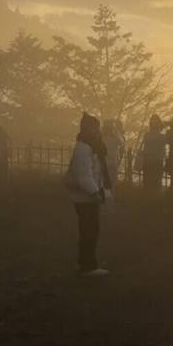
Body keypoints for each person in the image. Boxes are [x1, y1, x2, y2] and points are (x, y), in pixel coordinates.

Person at [64, 113, 112, 277]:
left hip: (89, 196)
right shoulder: (84, 148)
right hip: (85, 197)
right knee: (89, 230)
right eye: (95, 127)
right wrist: (95, 192)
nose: (98, 131)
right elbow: (83, 175)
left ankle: (88, 264)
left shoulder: (92, 146)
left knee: (91, 230)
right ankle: (87, 266)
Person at [140, 115, 168, 197]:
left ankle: (147, 201)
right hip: (157, 162)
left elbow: (145, 148)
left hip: (147, 161)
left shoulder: (147, 135)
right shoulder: (162, 137)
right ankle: (155, 202)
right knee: (156, 184)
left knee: (147, 183)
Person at [102, 119, 125, 184]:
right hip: (113, 163)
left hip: (104, 163)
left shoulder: (101, 138)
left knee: (105, 182)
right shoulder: (115, 138)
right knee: (112, 182)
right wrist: (117, 131)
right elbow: (122, 142)